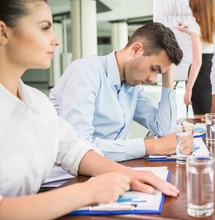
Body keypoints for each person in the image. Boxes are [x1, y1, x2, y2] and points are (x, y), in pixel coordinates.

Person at [0, 0, 179, 220]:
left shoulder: (34, 101)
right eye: (44, 27)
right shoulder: (86, 71)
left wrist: (129, 175)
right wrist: (86, 192)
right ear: (3, 32)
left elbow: (74, 148)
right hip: (62, 191)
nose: (56, 39)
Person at [49, 22, 183, 162]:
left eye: (159, 73)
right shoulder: (86, 72)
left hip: (107, 173)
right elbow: (80, 147)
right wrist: (150, 146)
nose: (153, 79)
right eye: (154, 69)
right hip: (67, 179)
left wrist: (167, 74)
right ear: (136, 50)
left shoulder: (133, 87)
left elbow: (164, 130)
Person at [177, 0, 215, 115]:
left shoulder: (195, 26)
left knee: (201, 119)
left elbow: (197, 61)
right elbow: (206, 34)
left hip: (202, 74)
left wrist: (188, 90)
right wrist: (186, 29)